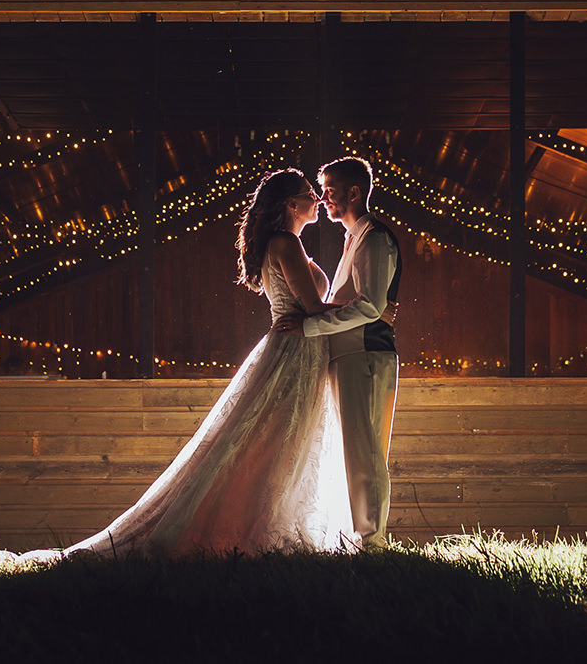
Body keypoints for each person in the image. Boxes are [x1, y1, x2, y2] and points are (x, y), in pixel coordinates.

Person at [55, 168, 356, 557]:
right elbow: (313, 308)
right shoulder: (284, 243)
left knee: (277, 443)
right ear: (291, 204)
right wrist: (366, 308)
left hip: (299, 348)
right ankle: (252, 530)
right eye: (309, 194)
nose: (317, 199)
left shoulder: (283, 243)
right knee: (274, 442)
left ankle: (266, 526)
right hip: (295, 353)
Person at [274, 155, 400, 550]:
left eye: (328, 191)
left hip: (364, 354)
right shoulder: (354, 238)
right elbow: (358, 302)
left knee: (365, 453)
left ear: (354, 192)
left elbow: (369, 306)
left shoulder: (375, 238)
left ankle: (373, 543)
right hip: (348, 355)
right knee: (355, 452)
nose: (323, 198)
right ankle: (360, 537)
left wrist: (310, 325)